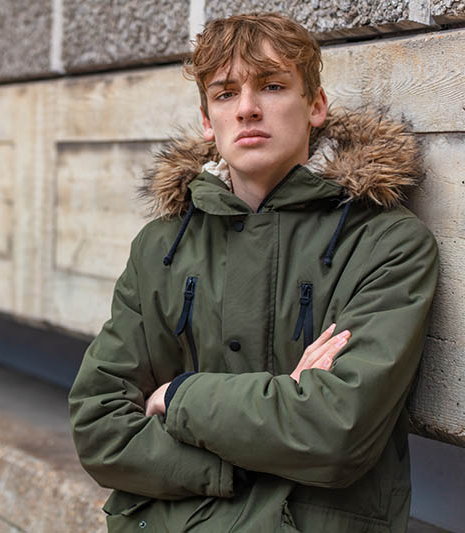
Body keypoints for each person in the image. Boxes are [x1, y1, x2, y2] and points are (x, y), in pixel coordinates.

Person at [68, 12, 439, 533]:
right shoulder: (161, 248)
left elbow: (336, 431)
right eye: (225, 94)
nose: (247, 109)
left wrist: (178, 396)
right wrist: (261, 434)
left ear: (315, 105)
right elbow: (99, 424)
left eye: (272, 85)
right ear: (206, 120)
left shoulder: (385, 243)